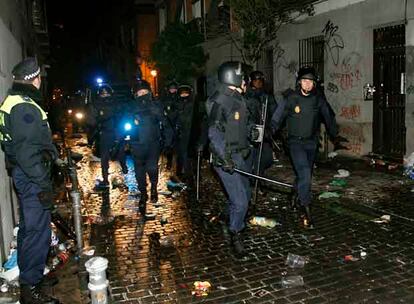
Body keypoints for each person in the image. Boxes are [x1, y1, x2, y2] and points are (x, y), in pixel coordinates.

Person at [0, 57, 61, 303]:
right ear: (34, 79)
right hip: (32, 178)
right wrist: (44, 184)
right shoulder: (24, 107)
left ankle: (31, 275)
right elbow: (27, 153)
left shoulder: (13, 101)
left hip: (25, 176)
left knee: (28, 230)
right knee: (38, 233)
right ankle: (31, 290)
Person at [271, 66, 339, 228]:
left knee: (303, 174)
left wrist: (334, 133)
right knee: (305, 173)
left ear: (314, 84)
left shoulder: (318, 99)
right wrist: (270, 130)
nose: (308, 84)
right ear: (299, 82)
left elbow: (329, 116)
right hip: (295, 143)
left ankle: (294, 194)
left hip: (311, 143)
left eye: (311, 81)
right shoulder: (291, 98)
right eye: (305, 81)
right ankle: (306, 209)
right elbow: (277, 117)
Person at [207, 61, 258, 255]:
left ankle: (227, 217)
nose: (247, 81)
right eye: (243, 77)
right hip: (225, 158)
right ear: (234, 78)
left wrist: (251, 132)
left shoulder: (237, 99)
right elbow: (214, 132)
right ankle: (235, 233)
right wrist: (224, 157)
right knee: (241, 202)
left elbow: (238, 126)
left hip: (239, 155)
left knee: (244, 192)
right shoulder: (221, 101)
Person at [128, 80, 165, 215]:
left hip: (153, 141)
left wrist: (166, 138)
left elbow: (163, 120)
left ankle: (154, 187)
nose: (142, 95)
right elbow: (123, 122)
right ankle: (143, 193)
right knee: (139, 171)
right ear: (136, 94)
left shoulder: (155, 104)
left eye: (145, 92)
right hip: (137, 143)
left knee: (152, 167)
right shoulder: (131, 107)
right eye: (140, 93)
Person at [245, 71, 278, 177]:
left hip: (265, 132)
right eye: (256, 80)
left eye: (260, 80)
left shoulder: (267, 96)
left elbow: (275, 112)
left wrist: (272, 127)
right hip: (252, 132)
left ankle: (257, 175)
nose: (258, 83)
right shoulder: (247, 97)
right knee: (252, 159)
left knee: (267, 159)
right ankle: (254, 181)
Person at [87, 85, 119, 189]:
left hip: (116, 131)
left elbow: (122, 116)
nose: (105, 96)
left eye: (107, 94)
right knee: (104, 157)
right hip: (104, 132)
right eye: (103, 94)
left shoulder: (116, 103)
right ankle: (105, 178)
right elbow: (91, 120)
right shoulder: (96, 105)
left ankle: (124, 172)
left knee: (120, 154)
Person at [175, 84, 195, 180]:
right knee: (182, 153)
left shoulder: (192, 104)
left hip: (190, 132)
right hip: (181, 133)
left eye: (186, 93)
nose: (184, 95)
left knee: (188, 154)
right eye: (182, 94)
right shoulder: (176, 104)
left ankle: (189, 173)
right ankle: (182, 171)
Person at [160, 81, 179, 170]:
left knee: (177, 144)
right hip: (168, 123)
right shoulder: (165, 98)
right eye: (171, 88)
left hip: (176, 123)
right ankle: (169, 162)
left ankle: (179, 164)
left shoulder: (178, 98)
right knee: (169, 144)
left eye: (174, 88)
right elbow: (162, 108)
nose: (172, 90)